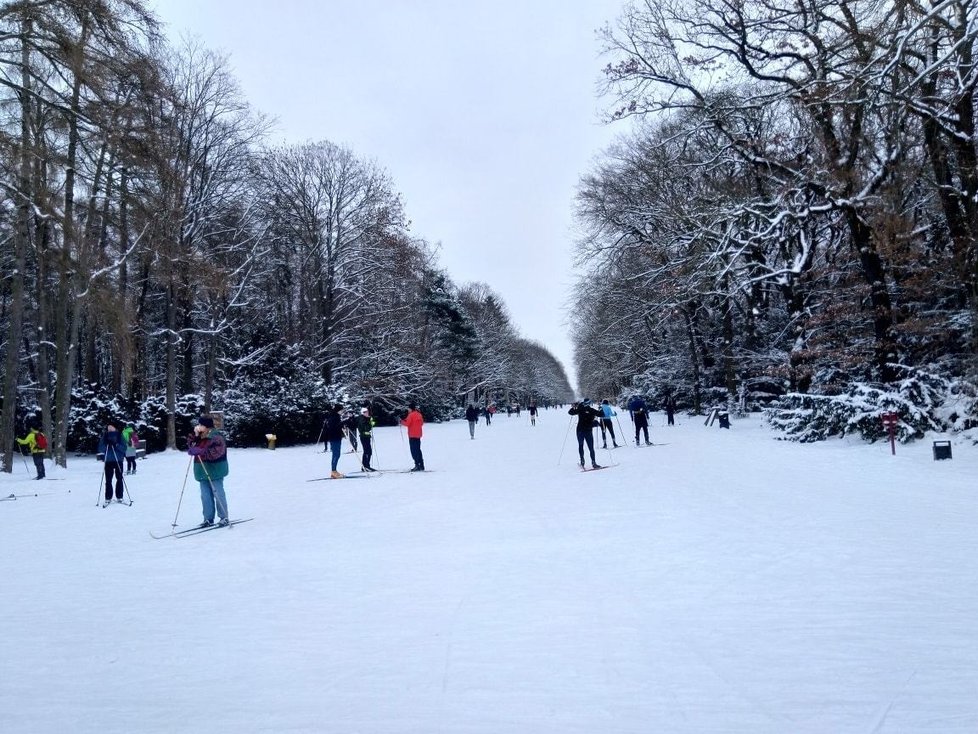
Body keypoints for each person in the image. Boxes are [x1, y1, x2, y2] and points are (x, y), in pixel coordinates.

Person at [187, 416, 229, 527]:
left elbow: (217, 452)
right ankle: (208, 518)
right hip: (201, 470)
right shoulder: (198, 436)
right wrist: (196, 437)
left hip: (215, 470)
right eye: (198, 425)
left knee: (218, 493)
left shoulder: (216, 436)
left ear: (207, 426)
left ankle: (224, 517)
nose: (199, 427)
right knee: (205, 495)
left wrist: (202, 452)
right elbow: (190, 444)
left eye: (201, 425)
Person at [568, 399, 603, 469]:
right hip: (588, 430)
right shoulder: (591, 410)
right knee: (591, 448)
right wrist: (601, 408)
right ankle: (593, 463)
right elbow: (601, 414)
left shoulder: (580, 409)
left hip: (580, 430)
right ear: (589, 403)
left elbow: (570, 412)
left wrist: (574, 406)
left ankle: (582, 461)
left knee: (581, 446)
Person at [98, 423, 126, 504]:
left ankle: (119, 496)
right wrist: (107, 445)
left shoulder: (120, 436)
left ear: (115, 428)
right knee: (108, 480)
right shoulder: (105, 436)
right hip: (108, 461)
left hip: (118, 460)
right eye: (108, 428)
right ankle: (108, 497)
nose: (109, 429)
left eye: (111, 427)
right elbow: (100, 448)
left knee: (120, 479)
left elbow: (124, 448)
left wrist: (116, 444)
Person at [323, 404, 345, 478]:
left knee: (337, 454)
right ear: (338, 410)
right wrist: (341, 424)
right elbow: (333, 428)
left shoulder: (336, 416)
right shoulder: (334, 417)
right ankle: (333, 471)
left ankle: (334, 471)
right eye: (341, 410)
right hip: (334, 438)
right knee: (336, 454)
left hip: (336, 437)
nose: (342, 412)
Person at [401, 402, 425, 471]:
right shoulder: (419, 414)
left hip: (412, 435)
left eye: (409, 408)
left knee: (413, 451)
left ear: (411, 409)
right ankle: (421, 465)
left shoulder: (410, 415)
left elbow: (407, 424)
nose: (408, 410)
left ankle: (417, 465)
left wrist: (401, 421)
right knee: (418, 450)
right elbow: (422, 423)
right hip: (418, 435)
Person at [357, 407, 375, 472]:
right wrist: (370, 422)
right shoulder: (362, 419)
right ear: (363, 413)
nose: (368, 413)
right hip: (363, 436)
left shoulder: (366, 418)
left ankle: (367, 465)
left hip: (367, 436)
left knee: (369, 451)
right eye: (366, 412)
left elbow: (372, 425)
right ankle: (365, 466)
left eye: (368, 412)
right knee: (367, 451)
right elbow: (366, 428)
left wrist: (371, 421)